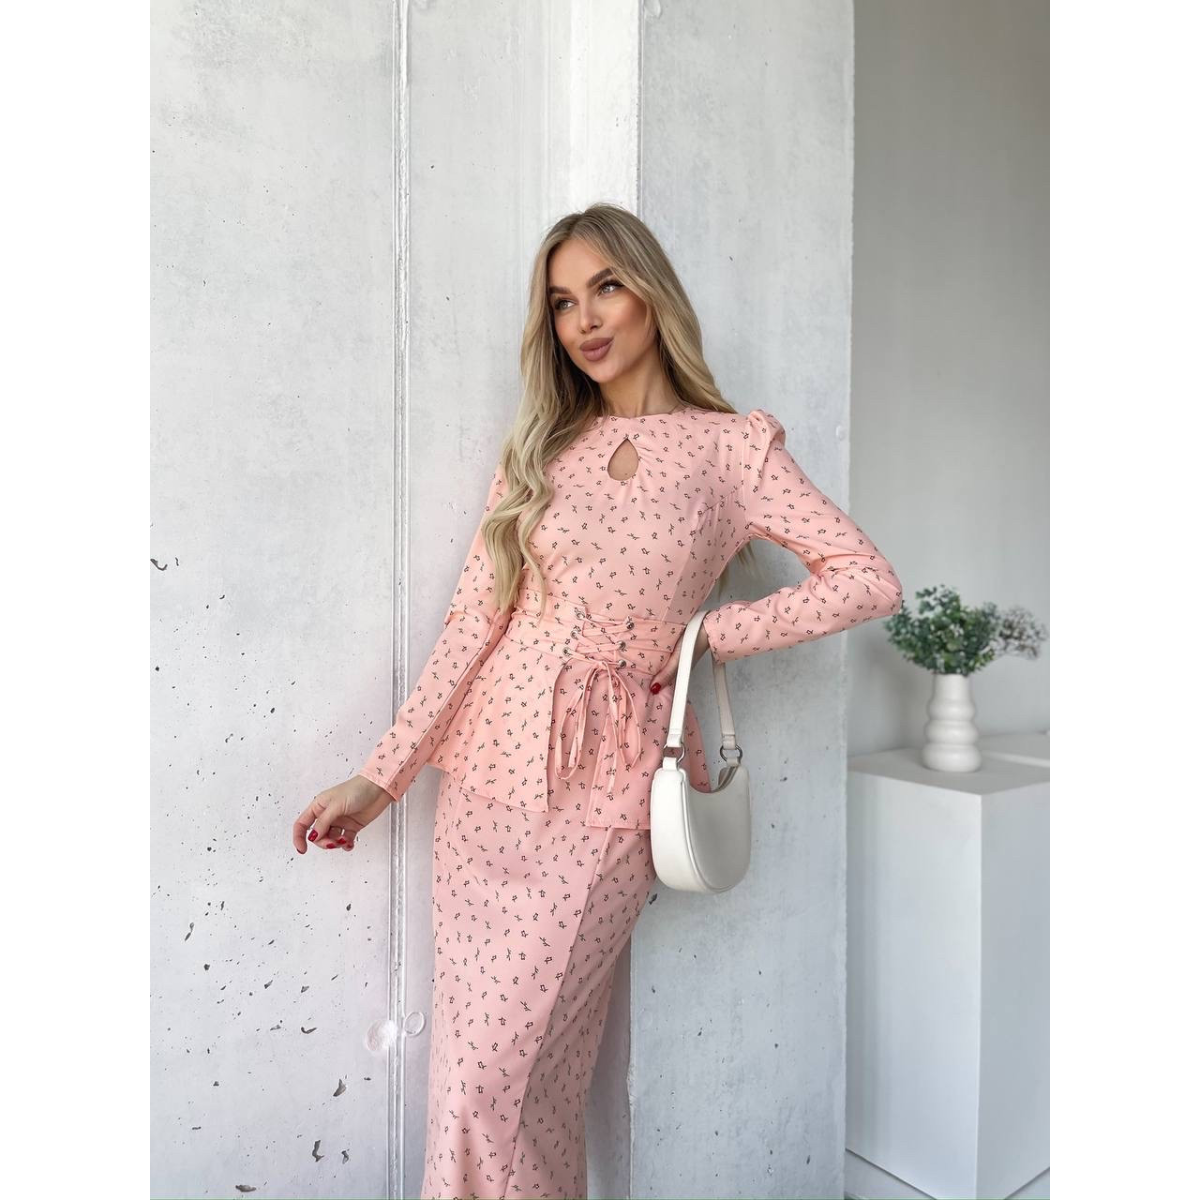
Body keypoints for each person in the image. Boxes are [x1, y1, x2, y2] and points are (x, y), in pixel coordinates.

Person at [291, 202, 903, 1199]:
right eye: (562, 301)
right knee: (489, 1084)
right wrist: (381, 777)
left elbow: (866, 579)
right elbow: (474, 623)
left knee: (498, 1083)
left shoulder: (733, 449)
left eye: (605, 287)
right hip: (485, 783)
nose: (584, 319)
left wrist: (705, 638)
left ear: (651, 291)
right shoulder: (540, 450)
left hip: (611, 792)